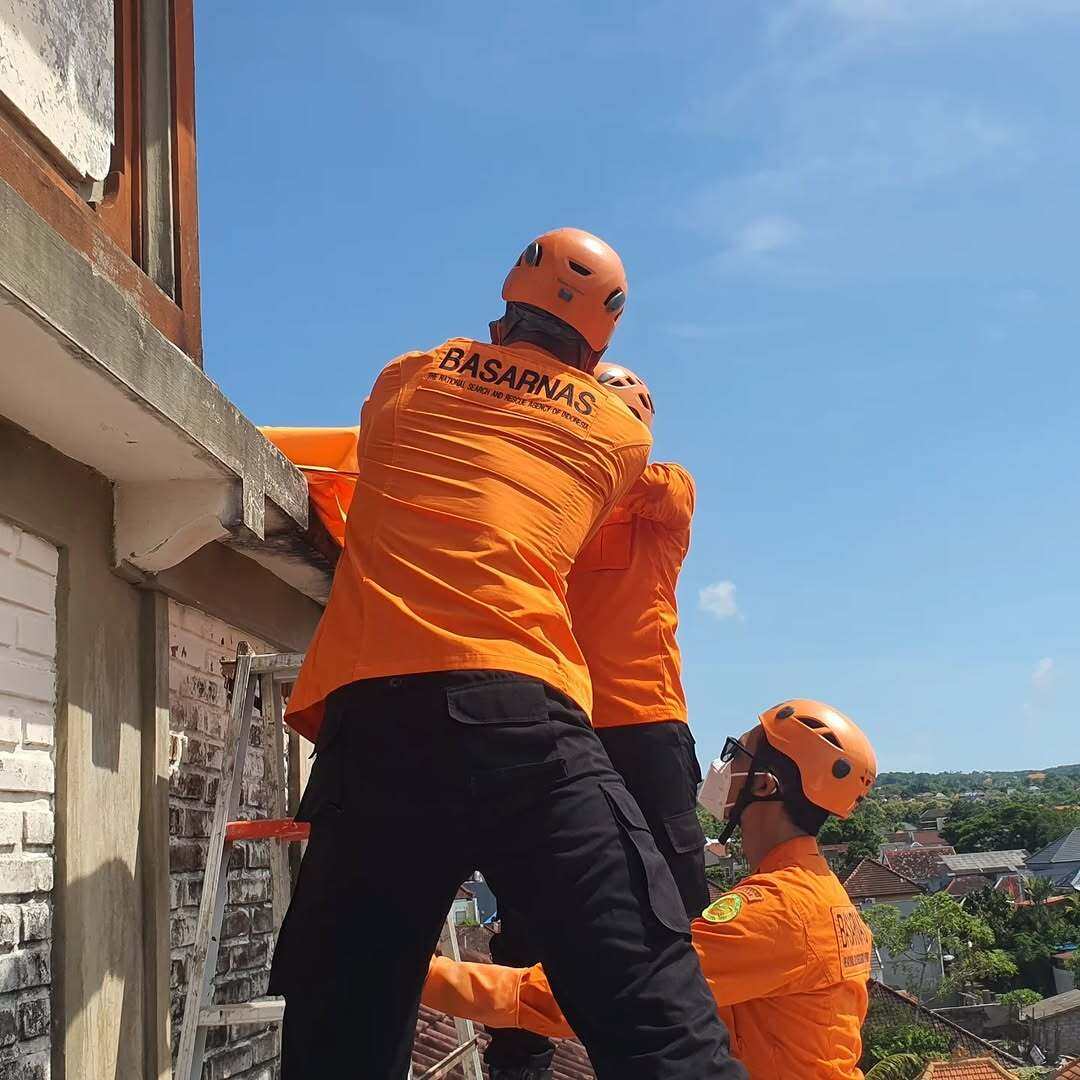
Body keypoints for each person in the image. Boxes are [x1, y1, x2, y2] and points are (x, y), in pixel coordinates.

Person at [268, 228, 743, 1080]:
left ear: (504, 306)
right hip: (522, 718)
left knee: (343, 1019)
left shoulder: (404, 379)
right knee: (655, 1004)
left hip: (373, 727)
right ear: (601, 341)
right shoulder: (616, 435)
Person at [423, 699, 878, 1080]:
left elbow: (613, 995)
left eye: (737, 752)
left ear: (763, 784)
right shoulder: (825, 899)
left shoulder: (779, 913)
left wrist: (427, 977)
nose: (722, 766)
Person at [487, 362, 709, 1079]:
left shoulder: (666, 490)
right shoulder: (549, 505)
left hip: (646, 723)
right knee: (529, 899)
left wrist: (569, 425)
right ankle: (519, 1059)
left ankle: (706, 1051)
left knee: (679, 902)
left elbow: (627, 472)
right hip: (558, 715)